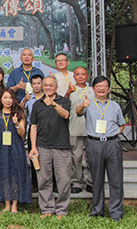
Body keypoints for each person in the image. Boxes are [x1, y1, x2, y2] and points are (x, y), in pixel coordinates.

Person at [77, 76, 125, 221]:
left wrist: (114, 133)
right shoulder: (88, 104)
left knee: (116, 179)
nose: (101, 88)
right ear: (93, 89)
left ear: (109, 89)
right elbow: (78, 112)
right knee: (96, 179)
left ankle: (116, 213)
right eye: (98, 86)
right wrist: (82, 105)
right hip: (94, 143)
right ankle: (97, 211)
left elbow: (121, 124)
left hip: (112, 144)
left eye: (104, 86)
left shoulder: (115, 106)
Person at [29, 75, 71, 219]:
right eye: (45, 85)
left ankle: (62, 210)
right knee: (44, 179)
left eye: (50, 85)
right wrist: (33, 147)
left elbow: (65, 115)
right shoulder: (37, 104)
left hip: (61, 146)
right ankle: (47, 209)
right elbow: (33, 126)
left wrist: (53, 104)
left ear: (56, 87)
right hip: (42, 146)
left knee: (63, 180)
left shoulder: (64, 101)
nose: (47, 87)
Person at [0, 88, 32, 213]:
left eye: (10, 98)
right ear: (1, 100)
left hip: (15, 146)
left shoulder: (19, 114)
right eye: (5, 98)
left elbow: (22, 134)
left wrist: (17, 124)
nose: (8, 100)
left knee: (15, 174)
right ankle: (6, 204)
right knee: (4, 174)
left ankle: (15, 205)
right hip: (1, 147)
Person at [69, 67, 94, 194]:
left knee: (91, 158)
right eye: (77, 74)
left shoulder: (93, 91)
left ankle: (90, 182)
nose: (80, 76)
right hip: (74, 129)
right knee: (76, 157)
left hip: (91, 130)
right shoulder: (71, 91)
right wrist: (68, 92)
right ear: (74, 77)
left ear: (87, 76)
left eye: (83, 74)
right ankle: (76, 182)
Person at [22, 74, 44, 193]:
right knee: (33, 156)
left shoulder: (47, 97)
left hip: (45, 128)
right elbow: (19, 110)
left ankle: (50, 183)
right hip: (32, 129)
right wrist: (25, 100)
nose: (36, 86)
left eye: (38, 83)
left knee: (46, 156)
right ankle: (35, 184)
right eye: (34, 84)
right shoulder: (29, 98)